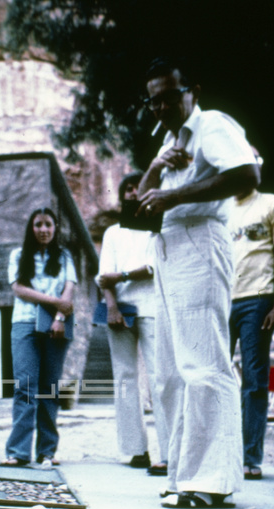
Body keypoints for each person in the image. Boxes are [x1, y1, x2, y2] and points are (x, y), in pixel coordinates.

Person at [137, 58, 259, 509]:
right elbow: (141, 205)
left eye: (170, 97)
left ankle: (211, 481)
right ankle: (185, 475)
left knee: (205, 363)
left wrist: (174, 195)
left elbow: (246, 174)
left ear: (193, 92)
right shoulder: (169, 143)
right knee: (172, 371)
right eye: (154, 101)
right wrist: (156, 169)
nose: (162, 107)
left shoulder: (212, 125)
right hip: (168, 249)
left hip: (199, 241)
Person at [97, 172, 169, 475]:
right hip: (122, 309)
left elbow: (153, 268)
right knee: (125, 378)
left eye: (138, 188)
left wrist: (124, 276)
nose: (133, 193)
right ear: (122, 195)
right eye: (128, 188)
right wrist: (111, 306)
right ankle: (136, 449)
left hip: (152, 306)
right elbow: (104, 276)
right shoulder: (112, 233)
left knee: (159, 375)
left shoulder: (157, 228)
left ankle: (168, 452)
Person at [229, 162, 274, 480]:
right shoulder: (219, 209)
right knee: (214, 375)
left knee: (254, 379)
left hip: (258, 299)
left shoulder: (272, 203)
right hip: (221, 298)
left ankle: (250, 457)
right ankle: (220, 455)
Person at [2, 207, 76, 468]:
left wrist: (59, 317)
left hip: (56, 325)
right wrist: (54, 303)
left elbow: (69, 289)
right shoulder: (18, 255)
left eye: (48, 224)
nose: (43, 230)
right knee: (25, 385)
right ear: (31, 228)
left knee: (49, 388)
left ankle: (47, 451)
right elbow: (19, 289)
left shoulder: (64, 256)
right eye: (38, 225)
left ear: (55, 228)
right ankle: (18, 452)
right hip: (24, 322)